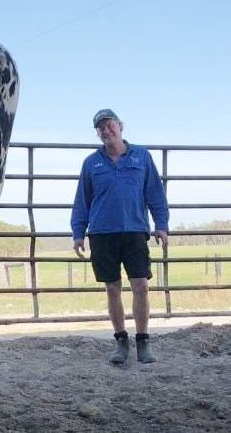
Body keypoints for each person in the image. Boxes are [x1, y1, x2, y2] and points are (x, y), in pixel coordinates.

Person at [71, 109, 169, 364]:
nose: (106, 131)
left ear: (120, 126)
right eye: (101, 128)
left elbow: (155, 193)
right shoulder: (91, 163)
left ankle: (143, 341)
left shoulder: (142, 156)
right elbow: (82, 200)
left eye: (110, 125)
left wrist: (161, 224)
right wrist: (78, 232)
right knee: (112, 288)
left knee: (141, 286)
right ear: (98, 133)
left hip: (135, 230)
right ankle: (121, 341)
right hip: (102, 233)